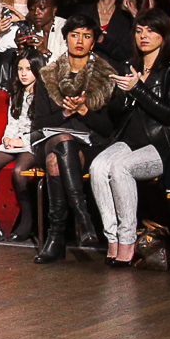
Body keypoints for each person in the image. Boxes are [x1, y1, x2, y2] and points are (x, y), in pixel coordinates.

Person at [87, 18, 170, 266]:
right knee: (98, 167)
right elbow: (115, 113)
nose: (144, 36)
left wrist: (138, 88)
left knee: (121, 168)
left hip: (161, 143)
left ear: (164, 35)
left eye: (151, 31)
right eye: (139, 31)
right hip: (129, 139)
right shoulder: (129, 65)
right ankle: (112, 238)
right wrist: (125, 94)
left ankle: (128, 240)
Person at [29, 17, 114, 264]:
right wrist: (66, 113)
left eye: (86, 36)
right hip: (48, 139)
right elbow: (39, 122)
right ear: (65, 39)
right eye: (75, 35)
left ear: (93, 42)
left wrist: (85, 111)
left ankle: (55, 238)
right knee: (63, 141)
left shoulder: (105, 76)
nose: (80, 41)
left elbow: (108, 128)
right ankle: (82, 216)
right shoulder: (48, 75)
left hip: (89, 144)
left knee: (57, 159)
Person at [0, 55, 41, 243]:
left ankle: (27, 222)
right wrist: (7, 138)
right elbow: (12, 122)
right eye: (20, 69)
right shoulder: (17, 93)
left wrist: (22, 142)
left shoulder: (44, 95)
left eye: (28, 69)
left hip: (33, 141)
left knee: (20, 171)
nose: (23, 74)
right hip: (15, 140)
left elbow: (43, 128)